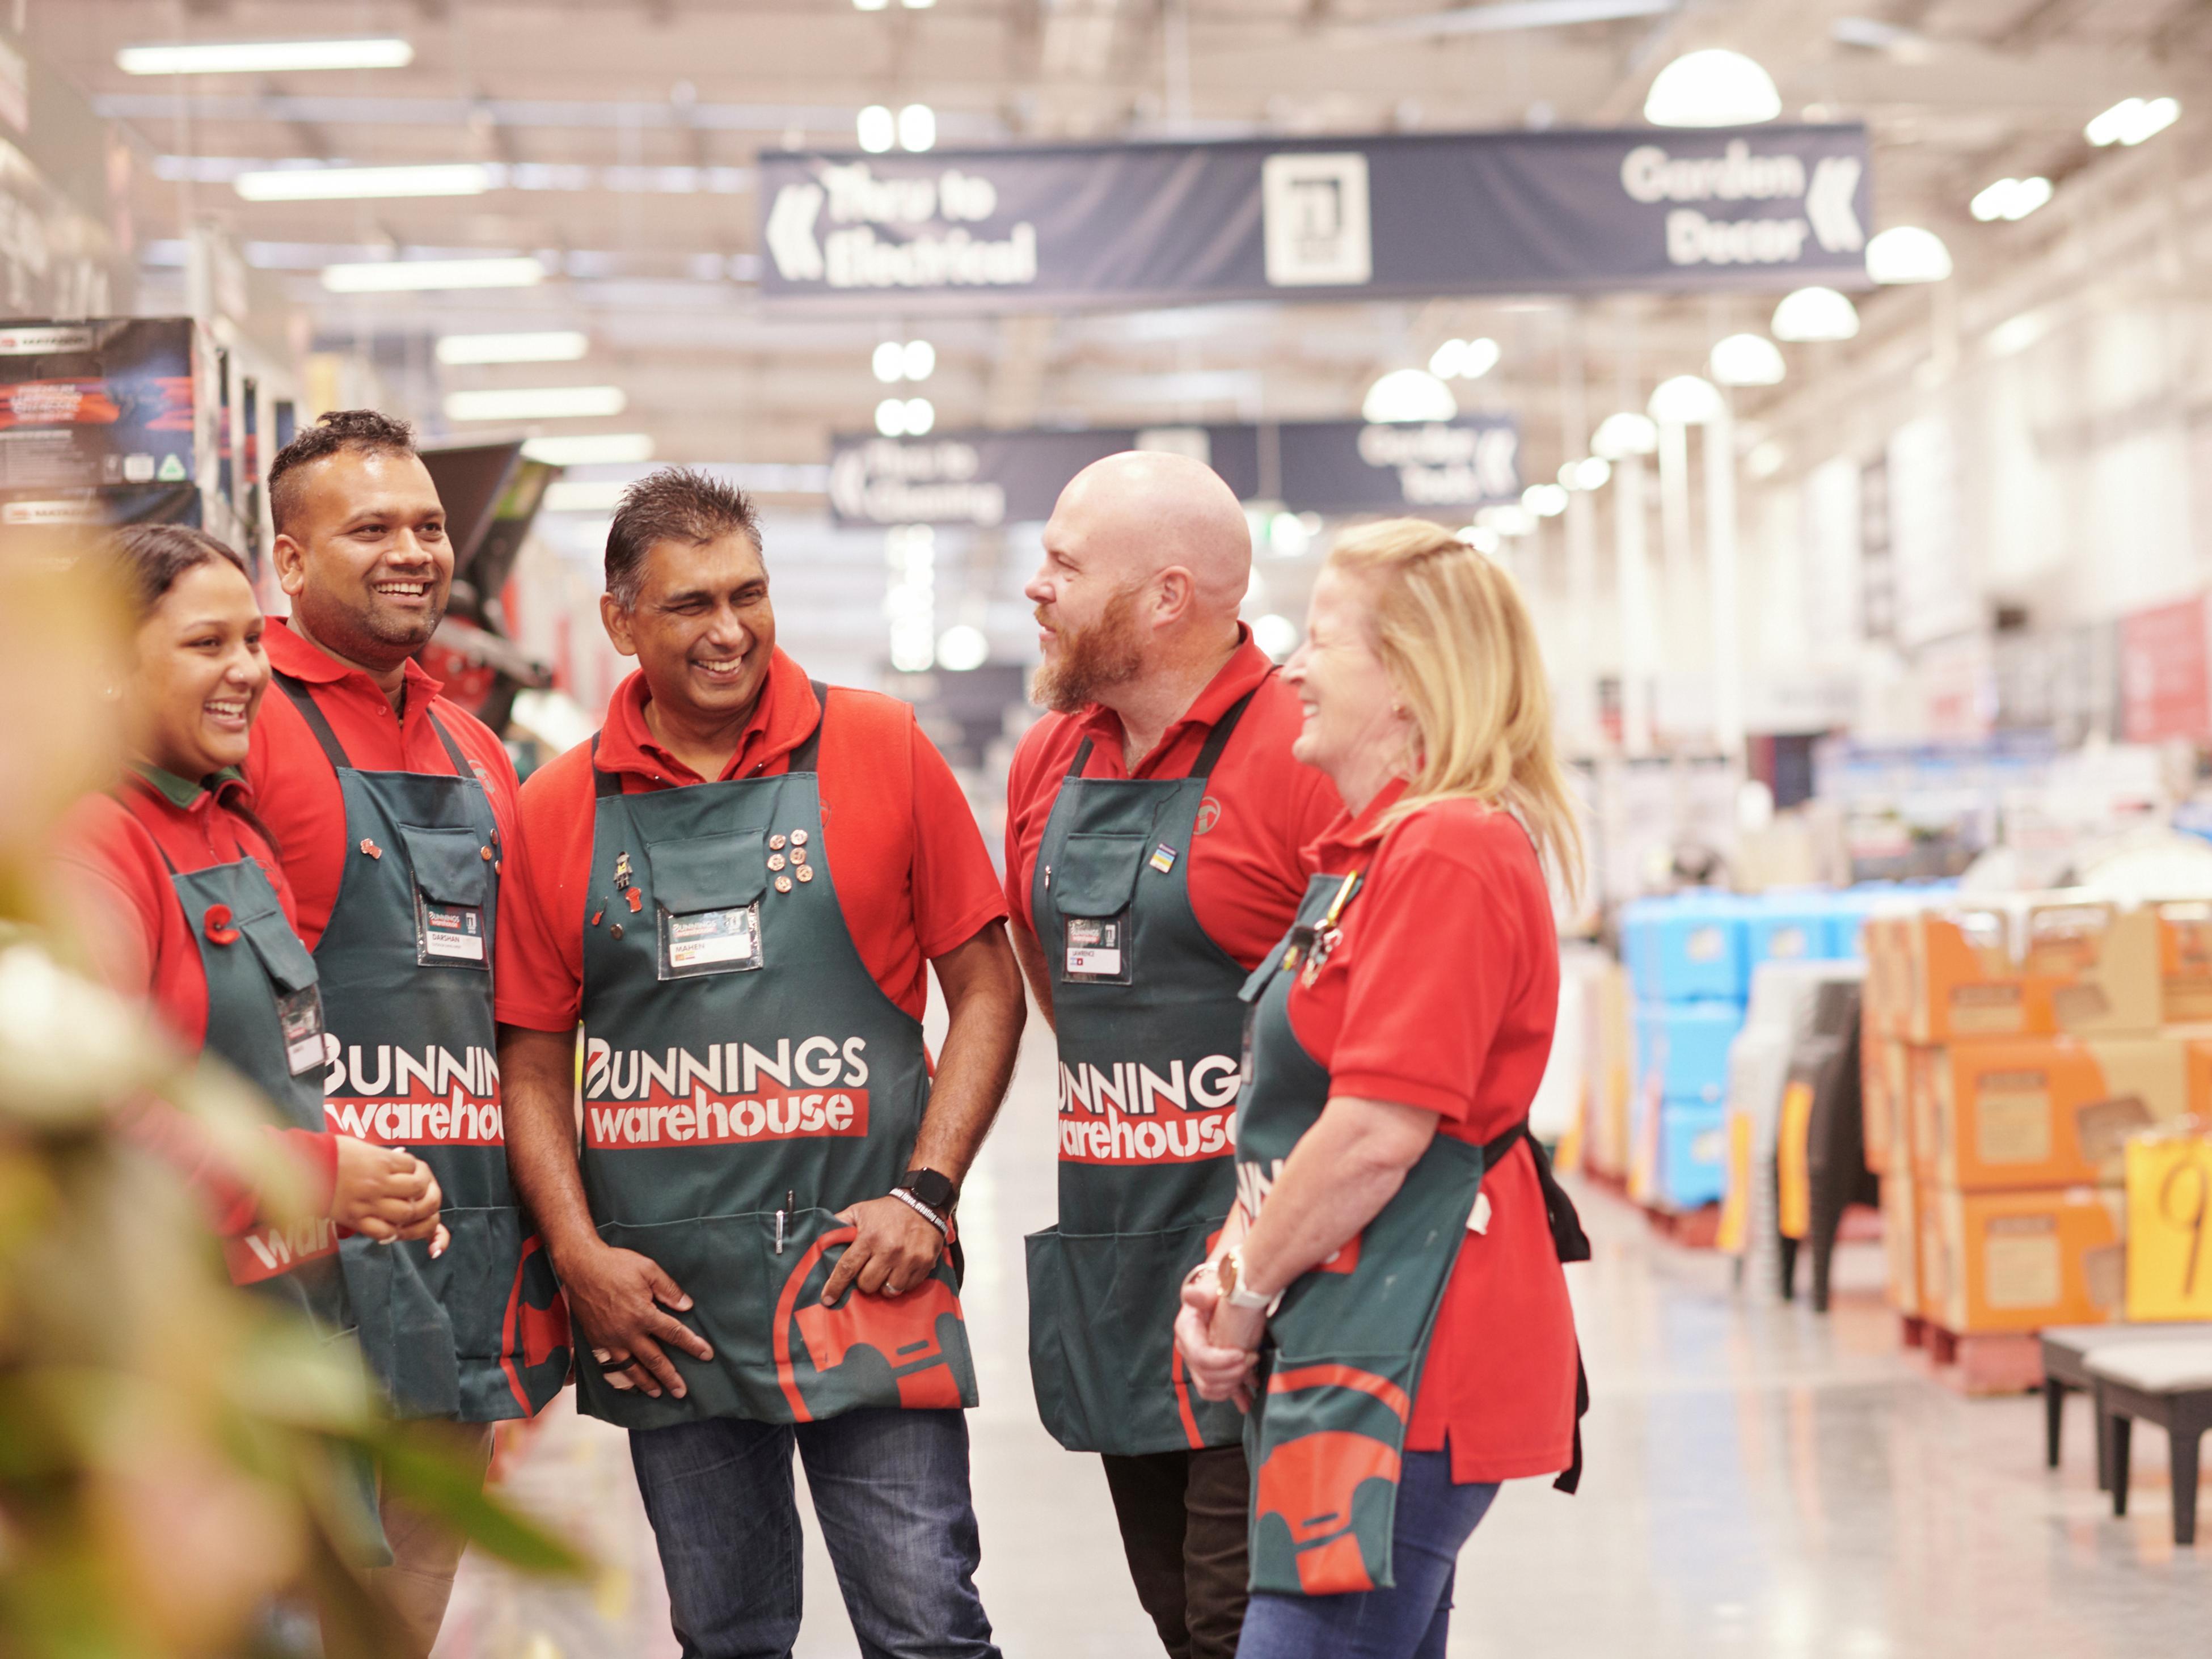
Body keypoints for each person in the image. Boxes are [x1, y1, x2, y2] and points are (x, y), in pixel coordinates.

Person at [495, 467, 1025, 1659]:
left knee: (929, 1624)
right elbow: (531, 1059)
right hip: (664, 1304)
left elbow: (988, 987)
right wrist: (579, 1256)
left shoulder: (882, 747)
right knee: (726, 1636)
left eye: (749, 594)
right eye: (690, 605)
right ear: (622, 620)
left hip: (866, 1273)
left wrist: (926, 1192)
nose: (729, 630)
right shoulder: (556, 807)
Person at [1173, 519, 1591, 1659]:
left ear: (1409, 678)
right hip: (1352, 1336)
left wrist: (1246, 1288)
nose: (1292, 668)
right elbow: (1299, 1119)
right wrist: (1230, 1270)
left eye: (1319, 640)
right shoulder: (1370, 859)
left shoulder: (1449, 852)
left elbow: (1371, 1133)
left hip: (1413, 1352)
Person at [1004, 451, 1340, 1659]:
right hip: (1118, 1271)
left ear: (1166, 596)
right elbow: (1059, 986)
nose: (1036, 587)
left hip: (1274, 1281)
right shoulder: (1050, 759)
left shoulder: (1304, 747)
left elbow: (1368, 1024)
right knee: (1174, 1616)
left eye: (1064, 563)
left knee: (1235, 1626)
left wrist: (1262, 1240)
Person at [247, 412, 571, 1657]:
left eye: (429, 526)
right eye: (370, 527)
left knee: (404, 1620)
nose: (413, 552)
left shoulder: (477, 748)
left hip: (459, 1250)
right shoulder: (247, 720)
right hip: (303, 1260)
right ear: (290, 556)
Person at [57, 524, 447, 1318]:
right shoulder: (92, 840)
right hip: (177, 1329)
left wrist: (366, 1172)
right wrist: (317, 1172)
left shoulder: (234, 826)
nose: (245, 670)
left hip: (292, 1306)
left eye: (251, 641)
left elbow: (274, 1073)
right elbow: (99, 1113)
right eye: (206, 644)